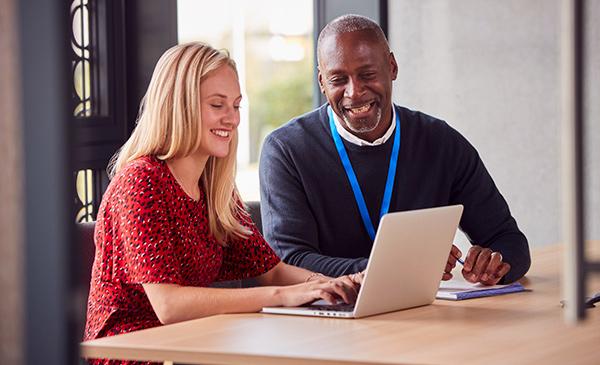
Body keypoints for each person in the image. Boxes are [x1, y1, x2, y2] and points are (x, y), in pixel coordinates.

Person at [83, 42, 362, 365]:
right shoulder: (140, 182)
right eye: (218, 105)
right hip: (135, 353)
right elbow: (169, 306)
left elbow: (271, 272)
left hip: (191, 347)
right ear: (178, 106)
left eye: (237, 106)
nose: (232, 119)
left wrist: (337, 285)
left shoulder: (214, 187)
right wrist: (283, 297)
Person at [259, 14, 531, 286]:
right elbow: (289, 261)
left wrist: (493, 263)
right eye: (338, 79)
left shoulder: (441, 143)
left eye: (367, 74)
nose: (354, 92)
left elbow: (510, 241)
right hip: (326, 320)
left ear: (392, 67)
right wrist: (398, 267)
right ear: (321, 82)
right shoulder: (286, 151)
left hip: (418, 315)